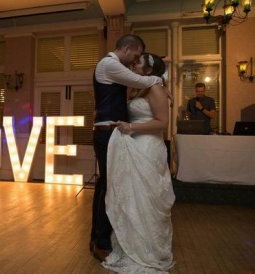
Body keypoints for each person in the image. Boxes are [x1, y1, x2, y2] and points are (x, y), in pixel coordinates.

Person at [91, 34, 164, 262]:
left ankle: (102, 238)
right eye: (137, 54)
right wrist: (161, 81)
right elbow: (142, 81)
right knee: (108, 188)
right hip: (107, 133)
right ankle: (100, 242)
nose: (136, 59)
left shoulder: (115, 68)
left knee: (109, 186)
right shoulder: (109, 64)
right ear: (128, 48)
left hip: (115, 133)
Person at [102, 53, 175, 273]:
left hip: (149, 147)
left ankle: (149, 250)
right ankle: (130, 246)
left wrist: (132, 127)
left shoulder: (155, 89)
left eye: (138, 63)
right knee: (132, 197)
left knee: (147, 197)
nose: (134, 65)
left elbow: (162, 123)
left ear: (149, 69)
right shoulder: (139, 88)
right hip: (134, 146)